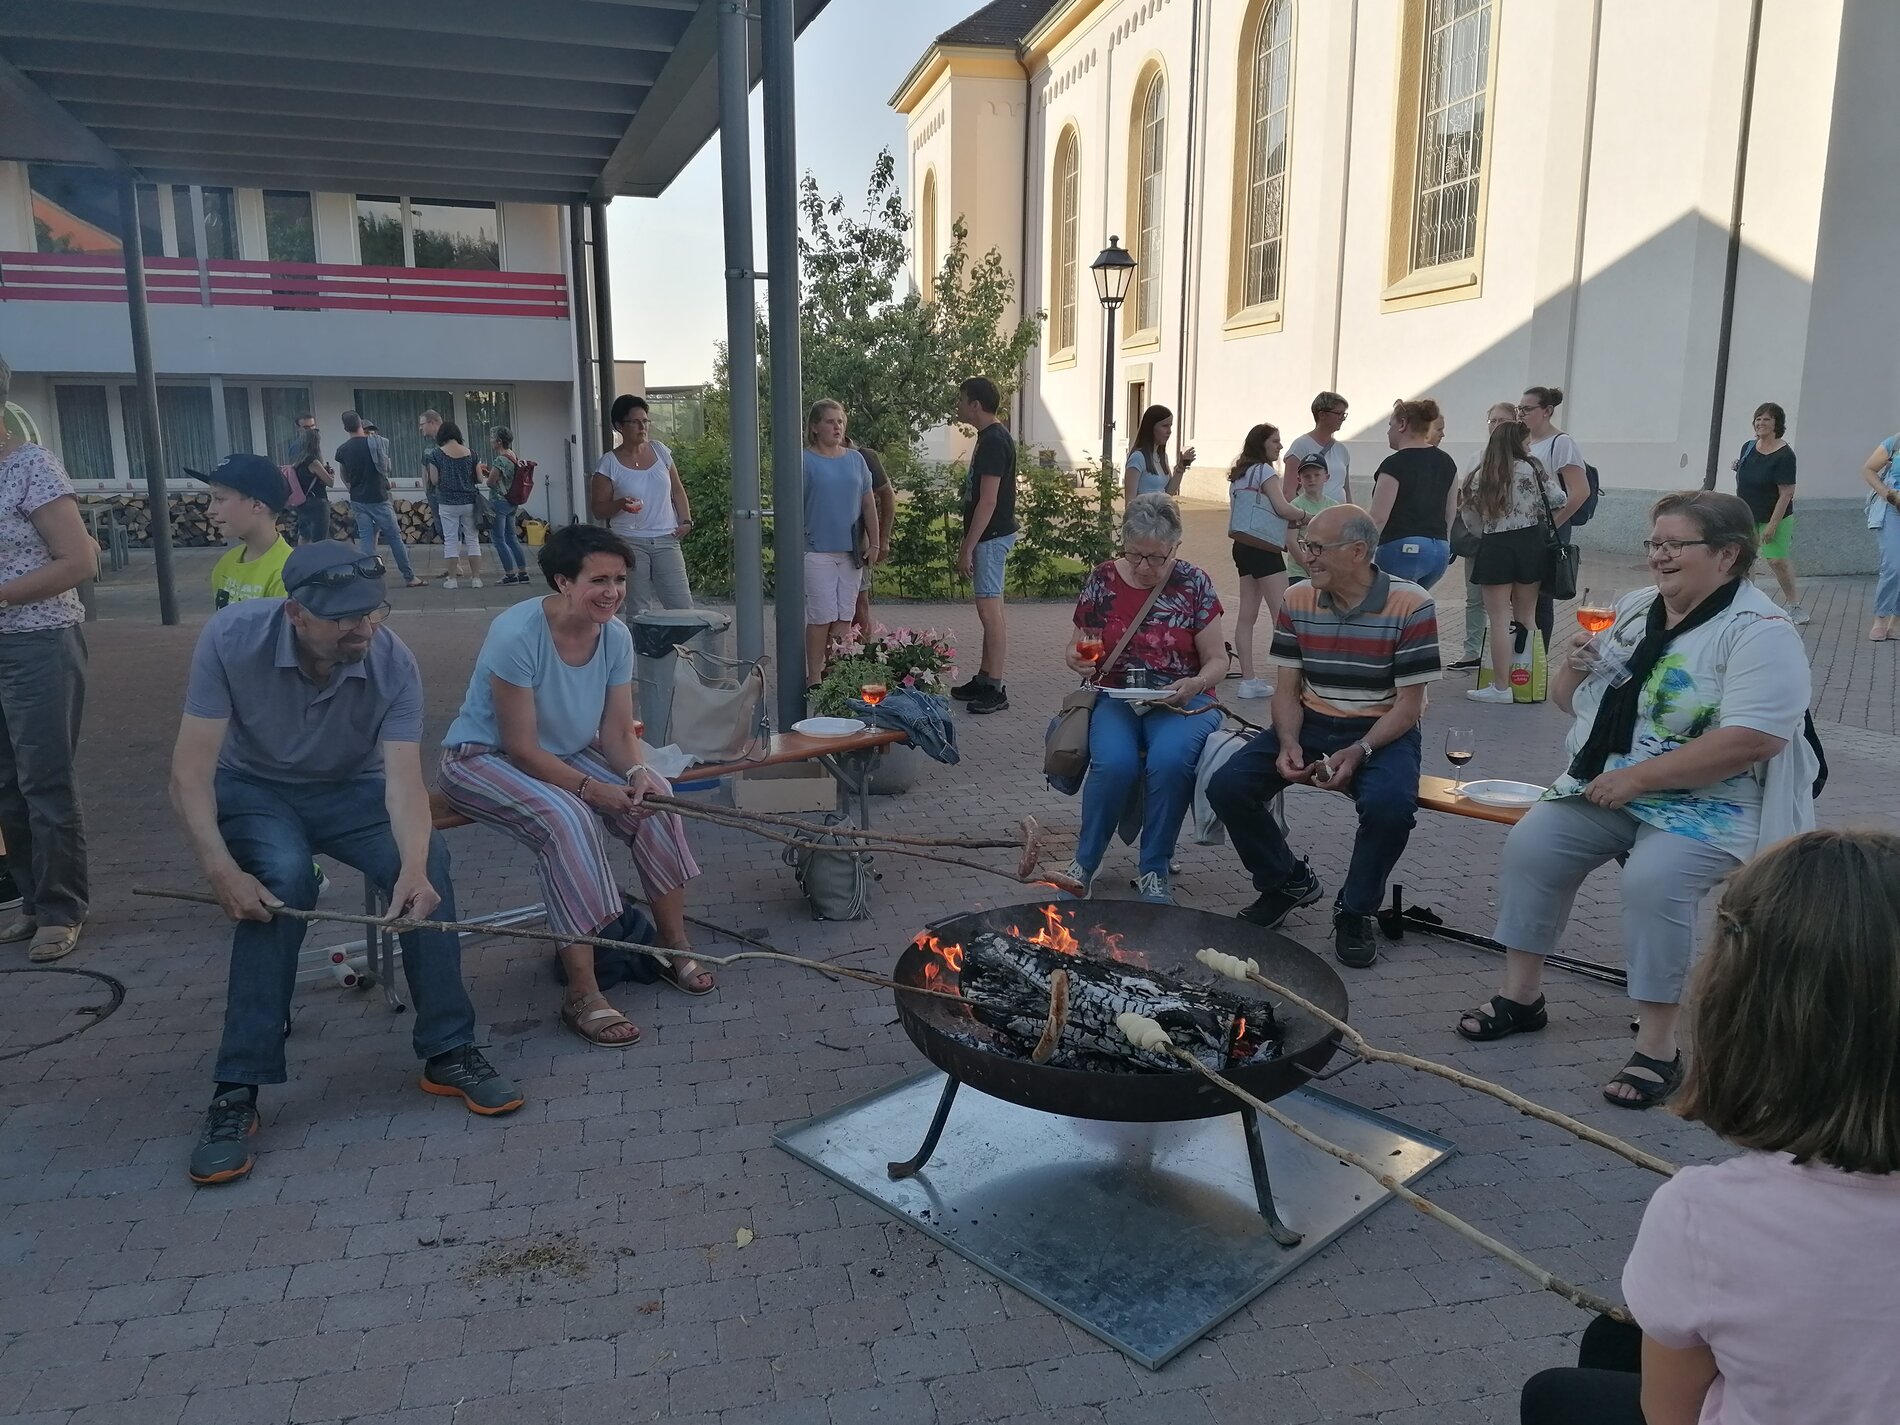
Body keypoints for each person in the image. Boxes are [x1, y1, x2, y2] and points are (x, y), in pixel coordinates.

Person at [169, 542, 524, 1185]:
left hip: (352, 791)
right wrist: (220, 869)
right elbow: (190, 774)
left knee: (430, 867)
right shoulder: (230, 639)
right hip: (254, 789)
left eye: (372, 611)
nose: (362, 627)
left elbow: (402, 786)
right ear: (296, 612)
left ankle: (448, 1049)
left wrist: (412, 867)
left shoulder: (393, 662)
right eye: (343, 618)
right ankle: (236, 1089)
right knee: (278, 880)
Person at [1518, 829, 1900, 1425]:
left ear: (1744, 1014)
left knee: (1555, 1394)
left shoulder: (1703, 1212)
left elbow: (1668, 1415)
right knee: (1612, 1340)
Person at [1459, 492, 1814, 1108]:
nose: (1659, 556)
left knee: (1653, 881)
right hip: (1613, 782)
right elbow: (1573, 703)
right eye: (1654, 543)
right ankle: (1523, 997)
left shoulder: (1760, 631)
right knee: (1533, 845)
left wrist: (1641, 780)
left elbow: (1754, 739)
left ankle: (1659, 1047)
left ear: (1728, 554)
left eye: (1676, 545)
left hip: (1712, 802)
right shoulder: (1634, 610)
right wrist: (1571, 667)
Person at [437, 525, 713, 1050]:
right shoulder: (517, 633)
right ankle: (583, 992)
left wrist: (633, 775)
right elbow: (520, 747)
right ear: (563, 581)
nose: (612, 591)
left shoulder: (615, 635)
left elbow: (615, 732)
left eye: (619, 579)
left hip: (564, 752)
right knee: (568, 821)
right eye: (598, 580)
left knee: (656, 795)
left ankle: (672, 943)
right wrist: (590, 789)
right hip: (481, 757)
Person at [1207, 505, 1440, 968]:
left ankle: (1354, 911)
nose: (1304, 555)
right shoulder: (1297, 599)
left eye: (1316, 548)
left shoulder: (1412, 604)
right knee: (1228, 786)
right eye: (1305, 545)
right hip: (1311, 720)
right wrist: (1289, 740)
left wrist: (1359, 750)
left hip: (1381, 729)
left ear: (1357, 552)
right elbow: (1287, 689)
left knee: (1391, 808)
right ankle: (1286, 880)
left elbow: (1409, 706)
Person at [1058, 494, 1224, 905]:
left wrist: (1195, 682)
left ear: (1175, 548)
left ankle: (1154, 868)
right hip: (1116, 695)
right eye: (1135, 555)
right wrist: (1076, 661)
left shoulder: (1194, 583)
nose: (1144, 567)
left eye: (1156, 558)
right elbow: (1078, 645)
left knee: (1169, 762)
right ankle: (1085, 863)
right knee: (1114, 763)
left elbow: (1218, 661)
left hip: (1180, 698)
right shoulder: (1103, 578)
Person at [0, 353, 94, 964]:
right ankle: (33, 901)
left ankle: (63, 909)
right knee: (5, 785)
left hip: (37, 641)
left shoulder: (31, 466)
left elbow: (79, 562)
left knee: (43, 782)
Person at [1460, 421, 1577, 705]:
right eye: (1526, 442)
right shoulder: (1533, 467)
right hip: (1529, 544)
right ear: (1517, 442)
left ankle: (1501, 688)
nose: (1529, 446)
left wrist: (1488, 528)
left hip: (1495, 546)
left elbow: (1469, 514)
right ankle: (1534, 683)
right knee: (1528, 617)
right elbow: (1559, 498)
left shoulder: (1481, 473)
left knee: (1499, 620)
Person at [589, 395, 694, 614]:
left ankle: (682, 649)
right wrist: (619, 504)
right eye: (635, 422)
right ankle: (640, 649)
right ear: (619, 426)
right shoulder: (609, 463)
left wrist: (686, 521)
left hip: (667, 539)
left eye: (645, 421)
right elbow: (598, 509)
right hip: (629, 541)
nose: (642, 427)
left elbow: (677, 490)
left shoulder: (660, 451)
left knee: (682, 607)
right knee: (638, 609)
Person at [800, 400, 880, 686]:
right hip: (816, 549)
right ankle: (813, 678)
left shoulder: (856, 460)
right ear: (814, 427)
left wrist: (875, 543)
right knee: (822, 616)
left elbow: (869, 503)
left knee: (845, 617)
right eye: (830, 421)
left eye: (841, 421)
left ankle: (835, 673)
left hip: (852, 552)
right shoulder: (803, 461)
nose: (837, 426)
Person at [952, 376, 1018, 715]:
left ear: (976, 404)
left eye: (962, 400)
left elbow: (988, 501)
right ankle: (984, 677)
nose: (959, 405)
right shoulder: (991, 436)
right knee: (990, 611)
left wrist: (967, 547)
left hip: (991, 537)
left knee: (990, 613)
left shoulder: (994, 441)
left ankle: (996, 686)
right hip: (991, 536)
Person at [1227, 423, 1307, 699]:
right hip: (1264, 547)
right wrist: (1306, 516)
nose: (1280, 446)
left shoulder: (1239, 474)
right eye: (1275, 441)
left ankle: (1248, 679)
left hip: (1243, 545)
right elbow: (1282, 507)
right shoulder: (1263, 471)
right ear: (1261, 444)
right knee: (1282, 614)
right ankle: (1292, 681)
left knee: (1247, 616)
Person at [1518, 387, 1592, 648]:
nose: (1521, 414)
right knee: (1521, 597)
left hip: (1547, 529)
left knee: (1540, 598)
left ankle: (1536, 664)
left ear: (1547, 411)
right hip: (1523, 529)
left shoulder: (1561, 443)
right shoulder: (1524, 443)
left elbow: (1580, 491)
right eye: (1520, 409)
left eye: (1527, 409)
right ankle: (1520, 661)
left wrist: (1551, 525)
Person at [1448, 401, 1519, 670]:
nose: (1496, 426)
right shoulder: (1477, 458)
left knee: (1508, 605)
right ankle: (1472, 652)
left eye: (1502, 421)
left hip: (1510, 543)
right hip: (1480, 541)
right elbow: (1464, 498)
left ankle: (1504, 658)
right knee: (1474, 598)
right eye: (1492, 421)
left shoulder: (1522, 459)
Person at [1368, 397, 1459, 589]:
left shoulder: (1394, 464)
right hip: (1438, 550)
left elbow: (1378, 518)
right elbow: (1450, 512)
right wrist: (1445, 542)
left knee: (1393, 607)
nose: (1388, 431)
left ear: (1402, 424)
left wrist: (1362, 555)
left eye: (1390, 424)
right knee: (1415, 606)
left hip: (1401, 547)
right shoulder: (1447, 462)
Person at [1731, 401, 1806, 624]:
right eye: (1758, 419)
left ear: (1777, 424)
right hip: (1746, 514)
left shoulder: (1784, 455)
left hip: (1776, 516)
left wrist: (1772, 525)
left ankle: (1795, 606)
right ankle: (1746, 603)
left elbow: (1786, 493)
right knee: (1745, 560)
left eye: (1767, 419)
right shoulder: (1747, 447)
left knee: (1776, 561)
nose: (1761, 423)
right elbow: (1749, 471)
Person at [336, 410, 424, 588]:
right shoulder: (376, 443)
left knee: (367, 540)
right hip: (379, 497)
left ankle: (367, 578)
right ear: (360, 424)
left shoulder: (343, 450)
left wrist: (353, 488)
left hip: (359, 499)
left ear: (345, 428)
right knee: (394, 538)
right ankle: (409, 577)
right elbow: (386, 468)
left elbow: (344, 475)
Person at [200, 453, 293, 607]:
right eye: (211, 499)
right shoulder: (226, 563)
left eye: (220, 499)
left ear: (257, 505)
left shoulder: (286, 574)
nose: (210, 510)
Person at [424, 421, 483, 589]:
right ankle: (476, 579)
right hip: (469, 501)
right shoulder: (472, 453)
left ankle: (452, 579)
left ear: (441, 435)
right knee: (472, 539)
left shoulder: (435, 454)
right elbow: (479, 479)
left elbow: (434, 480)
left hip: (447, 503)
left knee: (451, 540)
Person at [851, 439, 896, 635]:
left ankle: (860, 658)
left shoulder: (864, 456)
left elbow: (887, 495)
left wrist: (883, 539)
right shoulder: (813, 455)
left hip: (858, 541)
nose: (836, 426)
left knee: (860, 601)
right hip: (823, 543)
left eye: (839, 421)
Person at [1860, 428, 1900, 640]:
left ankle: (1896, 622)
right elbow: (1869, 469)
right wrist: (1887, 494)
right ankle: (1881, 618)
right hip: (1893, 509)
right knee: (1893, 564)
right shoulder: (1894, 443)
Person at [479, 427, 530, 586]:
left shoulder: (500, 459)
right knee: (511, 537)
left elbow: (491, 482)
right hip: (512, 501)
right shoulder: (513, 455)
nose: (490, 440)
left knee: (499, 539)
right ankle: (522, 572)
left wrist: (486, 475)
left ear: (499, 441)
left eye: (492, 437)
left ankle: (509, 574)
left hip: (499, 501)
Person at [1282, 391, 1352, 504]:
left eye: (1344, 414)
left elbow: (1346, 490)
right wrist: (1302, 517)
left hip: (1340, 516)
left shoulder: (1342, 450)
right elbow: (1288, 492)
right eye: (1339, 414)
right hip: (1311, 517)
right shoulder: (1300, 445)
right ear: (1322, 415)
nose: (1342, 418)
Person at [1123, 404, 1196, 503]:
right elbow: (1129, 502)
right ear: (1151, 427)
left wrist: (1181, 466)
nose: (1169, 431)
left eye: (1170, 426)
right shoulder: (1138, 458)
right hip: (1143, 516)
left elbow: (1168, 493)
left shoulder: (1162, 456)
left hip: (1161, 516)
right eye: (1165, 426)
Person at [1284, 454, 1338, 576]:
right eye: (1306, 476)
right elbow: (1291, 542)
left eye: (1317, 475)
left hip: (1326, 571)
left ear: (1326, 477)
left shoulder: (1334, 507)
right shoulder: (1295, 506)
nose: (1312, 479)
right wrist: (1308, 568)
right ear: (1299, 479)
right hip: (1299, 572)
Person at [288, 429, 334, 547]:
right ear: (316, 443)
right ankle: (317, 563)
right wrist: (331, 474)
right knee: (320, 540)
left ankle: (302, 560)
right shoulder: (313, 462)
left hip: (303, 503)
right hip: (318, 503)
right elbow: (330, 482)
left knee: (304, 534)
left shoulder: (298, 461)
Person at [418, 408, 444, 551]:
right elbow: (424, 468)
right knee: (441, 528)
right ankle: (455, 565)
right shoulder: (428, 446)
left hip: (447, 494)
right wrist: (426, 492)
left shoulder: (449, 442)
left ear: (432, 423)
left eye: (422, 424)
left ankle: (456, 566)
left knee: (452, 530)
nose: (420, 427)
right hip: (433, 493)